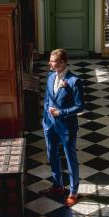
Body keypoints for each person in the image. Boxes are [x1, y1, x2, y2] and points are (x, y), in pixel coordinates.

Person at [43, 48, 84, 206]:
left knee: (70, 158)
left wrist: (61, 112)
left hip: (66, 127)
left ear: (62, 63)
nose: (49, 63)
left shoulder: (74, 81)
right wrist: (46, 116)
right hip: (49, 125)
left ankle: (73, 192)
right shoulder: (49, 76)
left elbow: (80, 106)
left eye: (52, 61)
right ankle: (57, 186)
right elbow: (47, 98)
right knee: (52, 155)